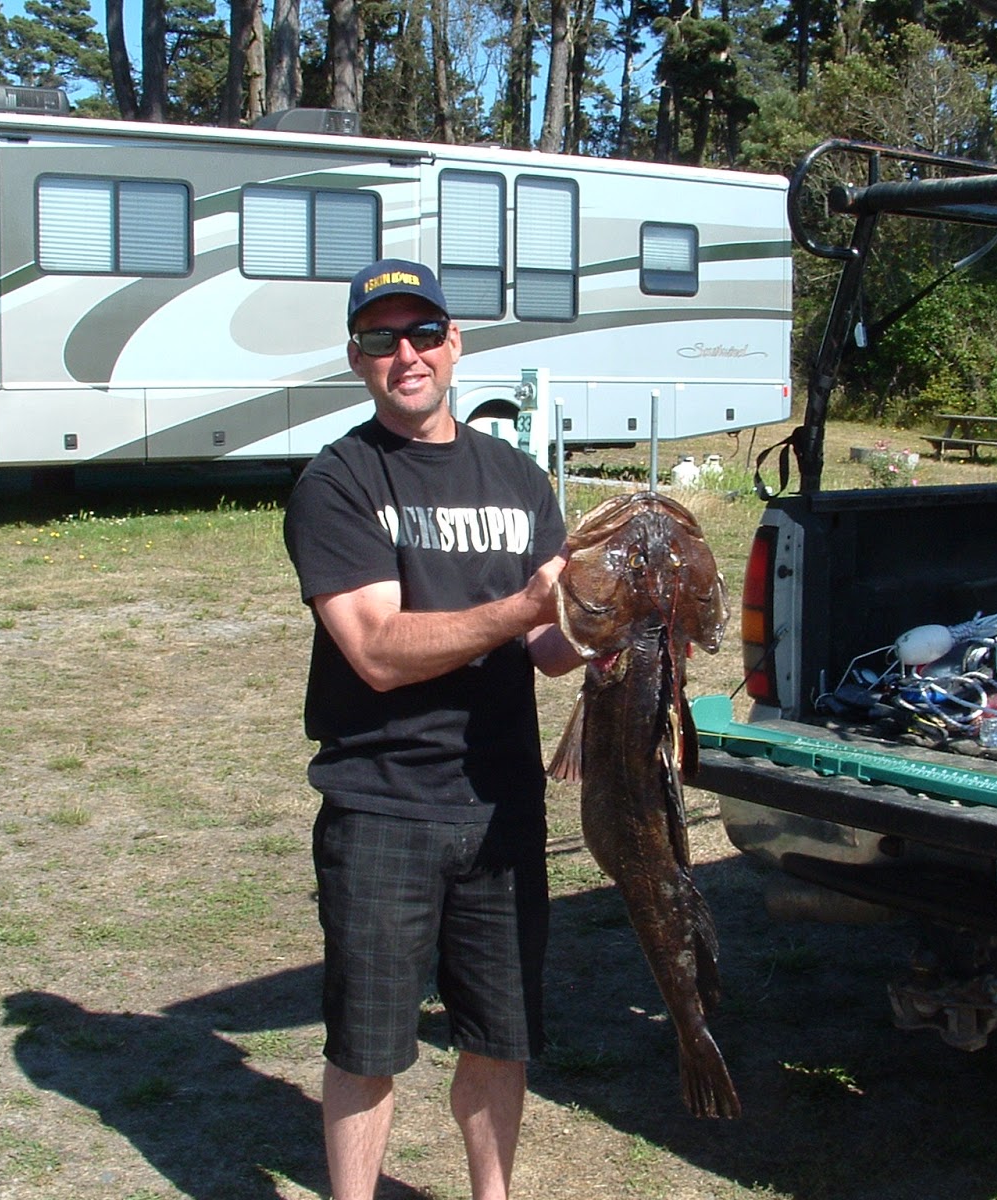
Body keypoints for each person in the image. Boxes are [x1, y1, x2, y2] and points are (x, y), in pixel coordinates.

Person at [283, 257, 582, 1200]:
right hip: (383, 803)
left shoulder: (518, 478)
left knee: (502, 1037)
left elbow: (548, 641)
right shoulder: (339, 483)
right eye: (381, 339)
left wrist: (604, 630)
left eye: (421, 334)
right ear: (356, 359)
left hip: (502, 805)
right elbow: (374, 648)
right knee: (369, 1048)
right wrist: (519, 608)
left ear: (455, 344)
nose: (404, 355)